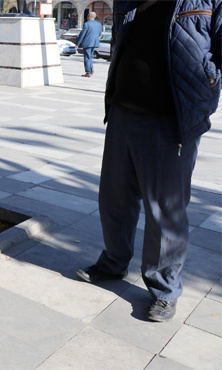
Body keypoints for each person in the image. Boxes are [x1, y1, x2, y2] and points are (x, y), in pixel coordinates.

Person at [76, 0, 221, 322]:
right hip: (122, 113)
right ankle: (113, 263)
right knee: (114, 200)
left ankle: (164, 290)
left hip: (171, 122)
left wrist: (207, 81)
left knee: (165, 212)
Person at [76, 11, 102, 77]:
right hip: (94, 43)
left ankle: (88, 72)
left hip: (87, 43)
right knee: (89, 56)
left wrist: (78, 43)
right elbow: (100, 34)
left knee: (87, 57)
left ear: (89, 16)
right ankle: (91, 68)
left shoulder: (86, 24)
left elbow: (82, 34)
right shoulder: (98, 24)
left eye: (87, 16)